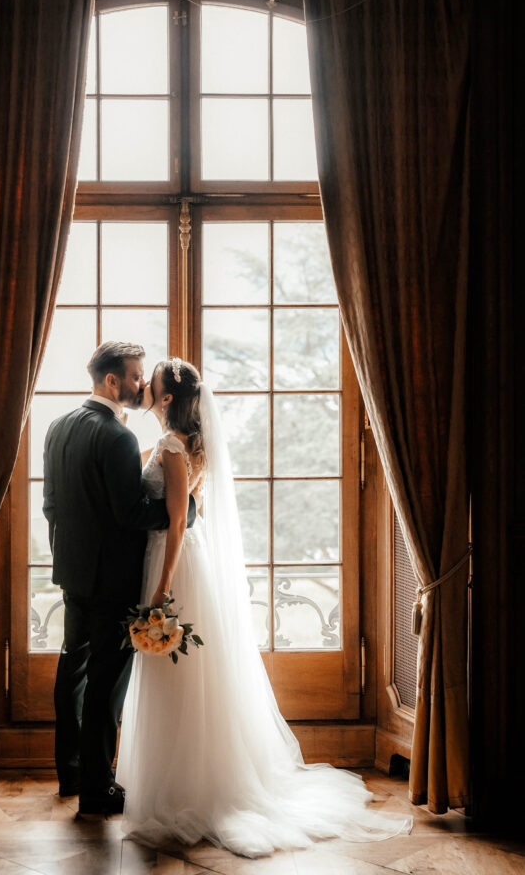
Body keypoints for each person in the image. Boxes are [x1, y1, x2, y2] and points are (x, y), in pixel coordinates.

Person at [116, 356, 414, 858]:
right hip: (193, 559)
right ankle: (193, 778)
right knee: (190, 679)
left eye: (155, 383)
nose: (145, 385)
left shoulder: (171, 445)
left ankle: (184, 790)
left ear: (166, 400)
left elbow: (172, 522)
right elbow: (193, 511)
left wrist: (159, 594)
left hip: (172, 564)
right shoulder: (189, 444)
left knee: (175, 678)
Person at [42, 341, 196, 815]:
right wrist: (184, 510)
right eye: (133, 376)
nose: (140, 384)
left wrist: (68, 557)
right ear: (112, 381)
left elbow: (51, 505)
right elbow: (131, 513)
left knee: (73, 672)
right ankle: (97, 789)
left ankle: (69, 772)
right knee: (107, 685)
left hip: (72, 574)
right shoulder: (117, 436)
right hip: (112, 582)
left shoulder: (58, 426)